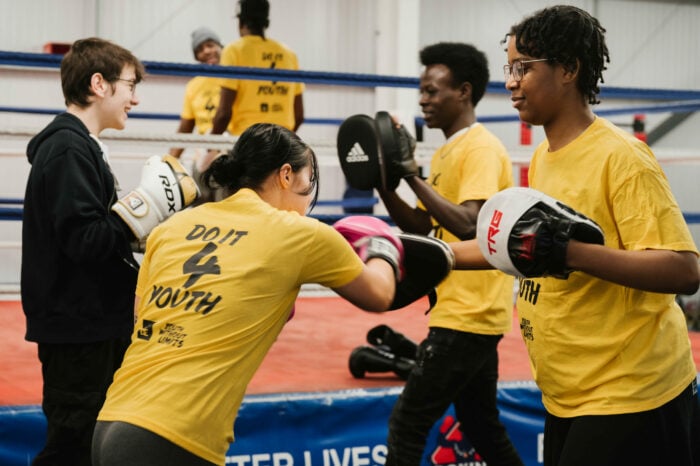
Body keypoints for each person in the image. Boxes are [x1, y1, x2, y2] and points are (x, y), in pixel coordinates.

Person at [451, 5, 700, 465]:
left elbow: (684, 269)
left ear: (567, 69)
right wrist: (433, 255)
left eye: (523, 68)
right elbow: (517, 244)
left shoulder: (622, 157)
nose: (510, 81)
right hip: (569, 393)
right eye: (510, 67)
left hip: (630, 393)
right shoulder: (545, 156)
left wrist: (571, 251)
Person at [92, 123, 403, 466]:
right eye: (307, 182)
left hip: (111, 418)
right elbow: (380, 292)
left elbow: (145, 320)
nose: (307, 199)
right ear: (286, 175)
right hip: (173, 435)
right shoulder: (297, 234)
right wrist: (382, 243)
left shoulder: (171, 229)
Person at [376, 42, 524, 466]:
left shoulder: (479, 147)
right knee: (481, 427)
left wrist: (412, 176)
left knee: (407, 425)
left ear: (463, 91)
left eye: (433, 90)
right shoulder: (446, 151)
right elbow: (422, 227)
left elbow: (467, 222)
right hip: (463, 311)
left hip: (469, 314)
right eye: (421, 91)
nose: (424, 99)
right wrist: (384, 183)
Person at [21, 37, 145, 466]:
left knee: (93, 445)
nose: (136, 96)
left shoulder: (82, 147)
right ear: (99, 84)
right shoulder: (68, 148)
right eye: (130, 84)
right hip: (79, 331)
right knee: (73, 447)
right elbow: (86, 241)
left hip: (93, 325)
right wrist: (142, 211)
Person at [210, 0, 304, 137]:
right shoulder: (289, 54)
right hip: (282, 140)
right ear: (266, 22)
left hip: (247, 140)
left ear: (241, 22)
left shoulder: (234, 50)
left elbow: (224, 113)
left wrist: (211, 142)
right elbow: (299, 115)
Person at [169, 26, 225, 203]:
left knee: (228, 208)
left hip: (231, 150)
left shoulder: (237, 76)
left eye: (210, 45)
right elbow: (186, 127)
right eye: (200, 49)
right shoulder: (194, 85)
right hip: (203, 153)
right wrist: (167, 164)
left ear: (220, 46)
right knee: (197, 202)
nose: (206, 51)